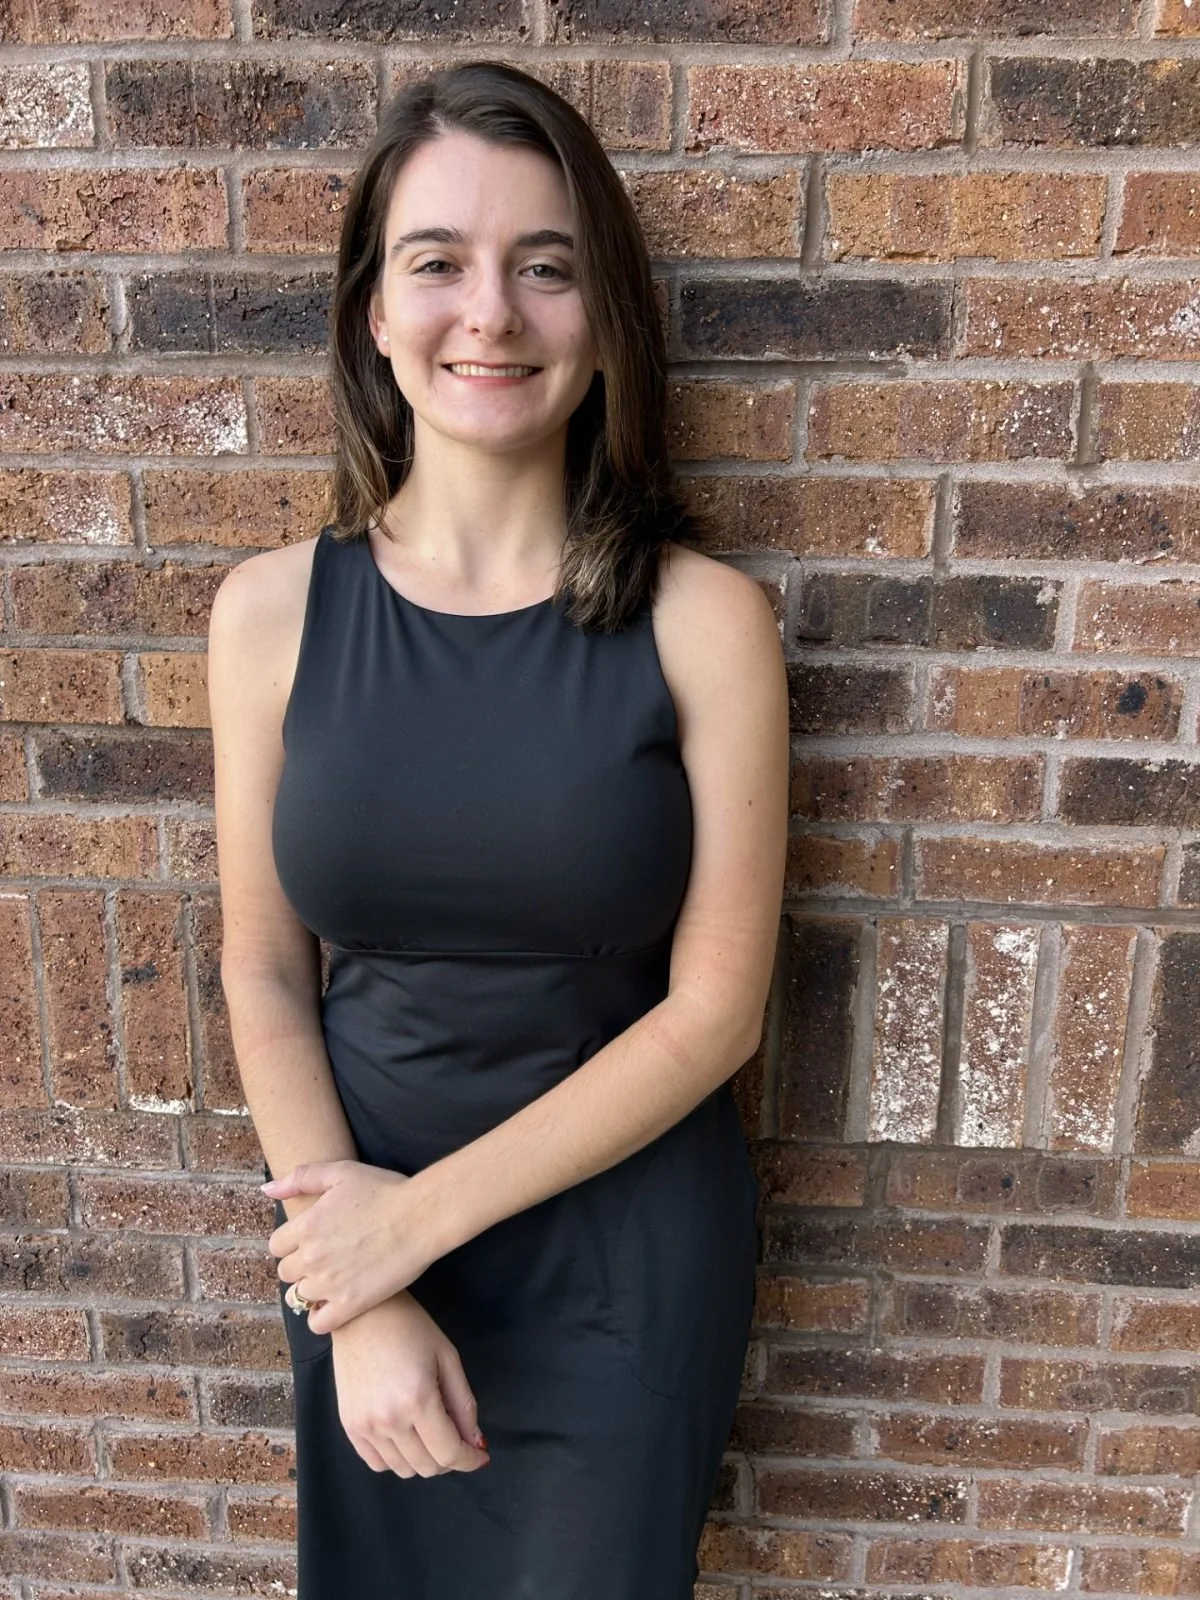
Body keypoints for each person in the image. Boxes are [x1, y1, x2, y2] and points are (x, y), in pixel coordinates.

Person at [207, 60, 788, 1600]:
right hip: (352, 1236)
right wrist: (362, 1289)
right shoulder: (267, 617)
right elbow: (266, 972)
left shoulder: (704, 623)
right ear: (372, 311)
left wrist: (409, 1230)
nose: (493, 314)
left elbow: (718, 1012)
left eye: (547, 267)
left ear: (602, 317)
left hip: (619, 1258)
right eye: (439, 263)